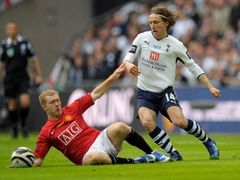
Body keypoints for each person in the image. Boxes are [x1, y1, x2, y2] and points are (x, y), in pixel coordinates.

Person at [123, 6, 220, 161]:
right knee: (147, 122)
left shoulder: (176, 45)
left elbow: (193, 66)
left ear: (166, 23)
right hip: (144, 91)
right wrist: (128, 65)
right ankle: (174, 153)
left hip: (164, 92)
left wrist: (210, 86)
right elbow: (128, 58)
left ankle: (208, 142)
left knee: (179, 121)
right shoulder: (142, 38)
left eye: (156, 22)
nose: (152, 26)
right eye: (150, 22)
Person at [33, 64, 170, 166]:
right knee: (94, 157)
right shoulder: (46, 132)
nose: (57, 104)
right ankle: (137, 161)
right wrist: (22, 162)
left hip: (101, 140)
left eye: (57, 100)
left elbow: (95, 94)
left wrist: (113, 77)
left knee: (120, 126)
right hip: (86, 156)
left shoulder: (71, 109)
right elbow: (38, 160)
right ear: (44, 107)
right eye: (52, 102)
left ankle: (152, 153)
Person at [0, 21, 42, 138]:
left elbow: (34, 58)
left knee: (25, 102)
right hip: (9, 78)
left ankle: (23, 125)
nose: (12, 31)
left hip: (23, 77)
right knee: (12, 105)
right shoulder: (3, 45)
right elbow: (1, 63)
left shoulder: (24, 43)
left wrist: (38, 74)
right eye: (9, 29)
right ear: (6, 31)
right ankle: (14, 127)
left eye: (14, 28)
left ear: (17, 30)